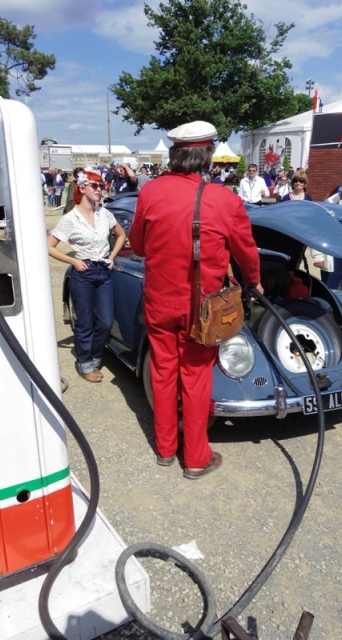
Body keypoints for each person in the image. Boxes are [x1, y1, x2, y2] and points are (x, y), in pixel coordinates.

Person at [128, 121, 262, 479]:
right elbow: (246, 251)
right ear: (206, 156)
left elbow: (138, 245)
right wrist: (254, 281)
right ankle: (197, 458)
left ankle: (166, 449)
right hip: (202, 308)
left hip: (158, 301)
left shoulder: (151, 192)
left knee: (162, 370)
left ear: (175, 154)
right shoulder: (224, 198)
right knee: (196, 376)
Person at [48, 170, 126, 382]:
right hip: (83, 272)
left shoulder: (104, 213)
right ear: (82, 188)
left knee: (106, 320)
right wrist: (73, 261)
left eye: (101, 186)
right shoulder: (70, 218)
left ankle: (94, 355)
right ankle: (84, 363)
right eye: (95, 185)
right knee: (85, 321)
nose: (100, 189)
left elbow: (121, 235)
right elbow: (49, 246)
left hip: (104, 270)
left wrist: (112, 255)